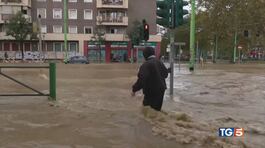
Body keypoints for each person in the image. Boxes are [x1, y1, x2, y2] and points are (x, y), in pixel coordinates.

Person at [131, 47, 169, 111]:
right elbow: (166, 75)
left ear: (145, 55)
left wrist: (134, 89)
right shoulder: (160, 62)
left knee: (147, 111)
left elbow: (141, 80)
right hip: (161, 90)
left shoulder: (145, 65)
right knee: (156, 110)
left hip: (151, 91)